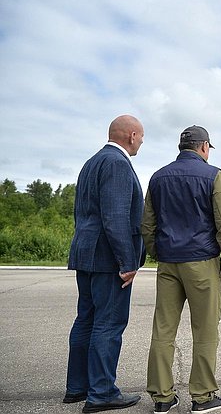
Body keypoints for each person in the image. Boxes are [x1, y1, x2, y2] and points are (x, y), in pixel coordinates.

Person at [142, 125, 221, 414]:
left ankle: (162, 397)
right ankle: (203, 396)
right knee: (205, 330)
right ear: (204, 146)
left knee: (163, 330)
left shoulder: (158, 177)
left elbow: (147, 225)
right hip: (202, 263)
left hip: (169, 263)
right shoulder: (213, 175)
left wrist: (159, 252)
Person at [64, 115, 146, 413]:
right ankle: (101, 392)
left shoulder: (91, 162)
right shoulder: (116, 163)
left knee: (85, 319)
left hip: (86, 253)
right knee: (108, 323)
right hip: (107, 259)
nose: (141, 143)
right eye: (141, 138)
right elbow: (115, 217)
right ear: (132, 135)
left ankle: (77, 387)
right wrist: (127, 261)